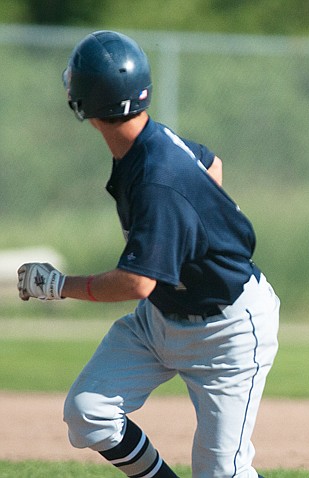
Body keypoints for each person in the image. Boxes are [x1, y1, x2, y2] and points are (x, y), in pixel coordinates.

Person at [17, 30, 279, 478]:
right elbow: (210, 162)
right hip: (158, 319)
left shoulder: (158, 179)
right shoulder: (148, 142)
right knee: (88, 412)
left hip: (226, 332)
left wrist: (58, 286)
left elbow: (137, 283)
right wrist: (200, 222)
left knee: (223, 472)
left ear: (86, 106)